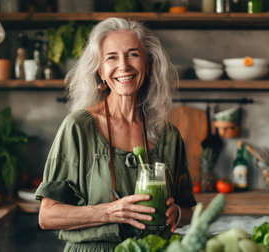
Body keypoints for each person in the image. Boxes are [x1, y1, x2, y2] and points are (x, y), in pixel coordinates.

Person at [35, 17, 196, 251]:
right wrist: (109, 212)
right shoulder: (78, 127)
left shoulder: (168, 134)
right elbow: (47, 216)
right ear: (100, 70)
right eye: (112, 57)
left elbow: (190, 210)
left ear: (148, 64)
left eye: (133, 54)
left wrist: (178, 213)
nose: (124, 66)